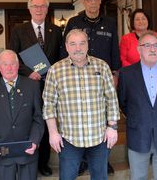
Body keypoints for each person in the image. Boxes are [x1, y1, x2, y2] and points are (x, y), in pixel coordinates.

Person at [43, 29, 120, 180]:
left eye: (82, 43)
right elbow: (49, 104)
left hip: (99, 136)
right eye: (73, 44)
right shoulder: (55, 70)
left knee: (100, 177)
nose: (78, 48)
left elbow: (111, 99)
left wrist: (112, 127)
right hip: (69, 138)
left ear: (87, 45)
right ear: (66, 47)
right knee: (67, 177)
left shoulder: (102, 67)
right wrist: (53, 133)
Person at [61, 0, 121, 173]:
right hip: (76, 78)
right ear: (83, 2)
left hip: (103, 76)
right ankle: (80, 161)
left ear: (100, 1)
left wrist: (115, 74)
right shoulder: (73, 21)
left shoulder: (111, 23)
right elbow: (66, 50)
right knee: (80, 119)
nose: (93, 3)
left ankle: (102, 159)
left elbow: (115, 50)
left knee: (102, 117)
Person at [9, 0, 62, 176]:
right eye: (35, 6)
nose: (39, 9)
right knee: (30, 122)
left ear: (47, 9)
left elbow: (60, 57)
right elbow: (13, 57)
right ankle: (29, 161)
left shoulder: (56, 30)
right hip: (28, 84)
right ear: (29, 9)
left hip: (50, 86)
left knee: (48, 122)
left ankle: (43, 163)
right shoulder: (18, 30)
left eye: (42, 6)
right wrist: (28, 72)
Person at [118, 31, 157, 180]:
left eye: (156, 45)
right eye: (147, 45)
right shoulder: (126, 74)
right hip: (138, 133)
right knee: (138, 177)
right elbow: (123, 102)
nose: (153, 49)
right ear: (139, 49)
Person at [0, 50, 44, 180]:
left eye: (12, 64)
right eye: (5, 64)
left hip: (28, 150)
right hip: (2, 152)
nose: (9, 68)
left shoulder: (32, 86)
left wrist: (34, 141)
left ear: (18, 65)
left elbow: (38, 118)